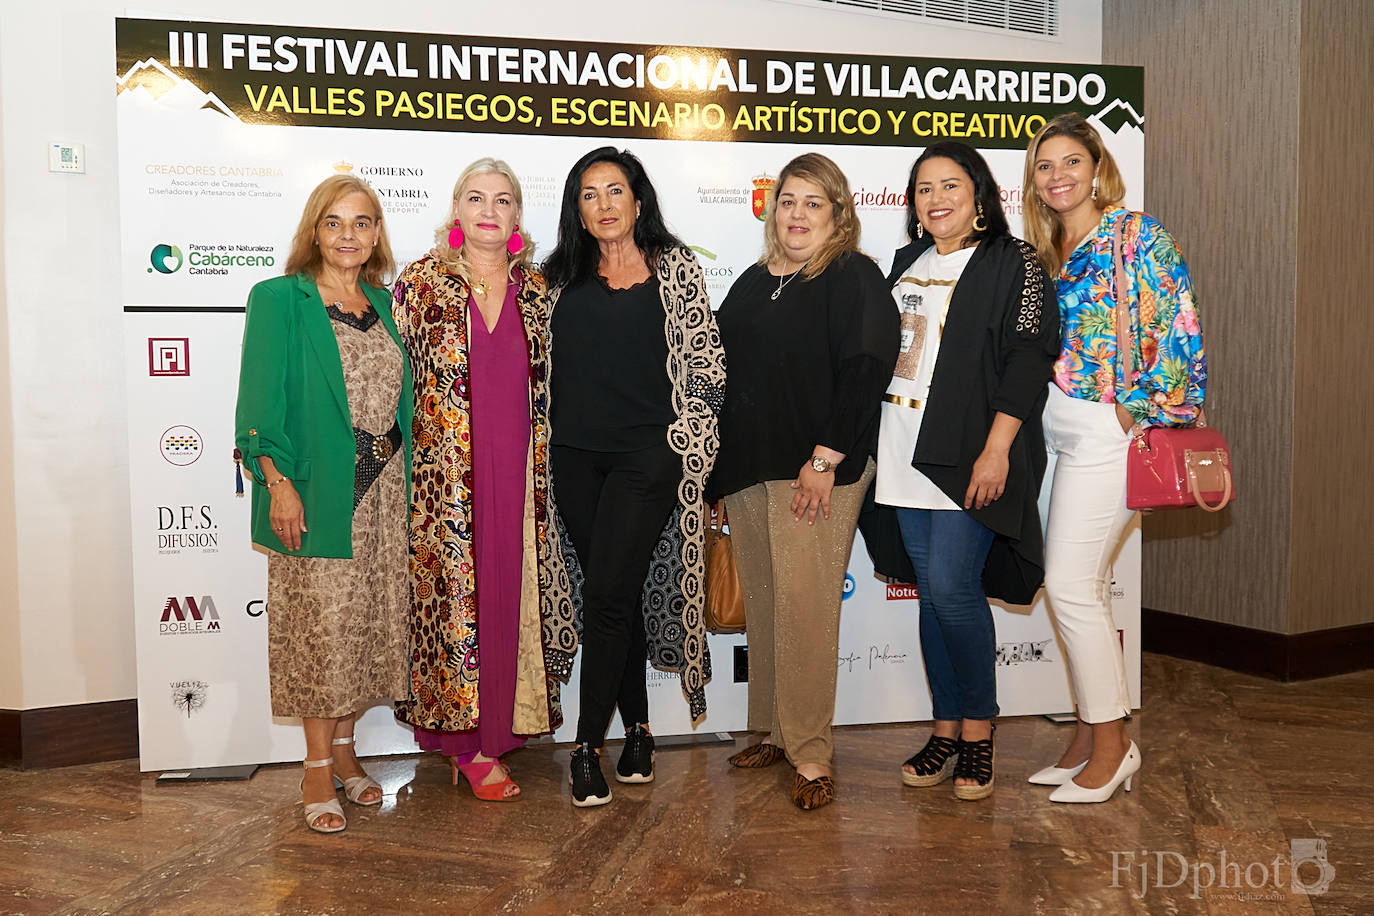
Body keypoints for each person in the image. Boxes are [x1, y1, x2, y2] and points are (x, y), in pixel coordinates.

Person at [1022, 113, 1206, 803]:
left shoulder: (1136, 234)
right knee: (1084, 587)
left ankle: (1112, 744)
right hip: (1054, 431)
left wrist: (1140, 407)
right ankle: (1086, 732)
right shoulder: (1042, 249)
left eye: (1072, 162)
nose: (1059, 175)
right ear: (1034, 182)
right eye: (1045, 166)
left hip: (1110, 432)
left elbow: (1179, 325)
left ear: (1097, 168)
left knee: (1070, 585)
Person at [710, 152, 899, 810]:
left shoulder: (854, 276)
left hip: (816, 470)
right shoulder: (754, 281)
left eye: (813, 203)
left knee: (806, 608)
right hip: (749, 471)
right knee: (764, 604)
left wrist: (825, 460)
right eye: (788, 200)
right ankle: (770, 728)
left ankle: (811, 752)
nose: (796, 213)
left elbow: (867, 367)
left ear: (839, 214)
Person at [542, 147, 725, 807]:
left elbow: (707, 360)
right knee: (608, 592)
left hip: (649, 458)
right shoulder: (557, 275)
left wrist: (694, 441)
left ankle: (587, 746)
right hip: (573, 456)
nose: (604, 205)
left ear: (638, 199)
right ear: (578, 208)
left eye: (614, 191)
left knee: (609, 594)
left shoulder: (675, 268)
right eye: (589, 195)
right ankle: (641, 731)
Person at [876, 142, 1059, 801]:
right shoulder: (905, 260)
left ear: (979, 194)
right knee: (932, 591)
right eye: (924, 188)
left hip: (968, 453)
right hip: (901, 445)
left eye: (950, 184)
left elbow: (1028, 357)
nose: (936, 198)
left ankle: (979, 733)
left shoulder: (1016, 263)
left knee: (953, 588)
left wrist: (998, 447)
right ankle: (946, 728)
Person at [234, 174, 411, 833]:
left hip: (386, 495)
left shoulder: (387, 303)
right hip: (317, 495)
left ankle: (345, 751)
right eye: (334, 222)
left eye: (361, 223)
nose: (348, 235)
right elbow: (259, 402)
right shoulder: (280, 299)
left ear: (376, 234)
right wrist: (277, 482)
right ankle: (314, 769)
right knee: (323, 635)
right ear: (315, 230)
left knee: (367, 633)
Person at [391, 158, 571, 802]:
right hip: (445, 482)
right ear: (457, 212)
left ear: (518, 216)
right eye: (476, 198)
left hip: (523, 472)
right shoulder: (422, 282)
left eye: (502, 200)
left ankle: (498, 730)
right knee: (455, 605)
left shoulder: (539, 288)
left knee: (509, 598)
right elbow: (393, 381)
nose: (489, 210)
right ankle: (465, 746)